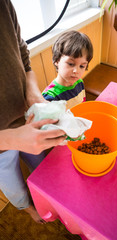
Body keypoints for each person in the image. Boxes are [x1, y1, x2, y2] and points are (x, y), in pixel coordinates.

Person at [0, 0, 66, 223]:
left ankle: (45, 193)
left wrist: (34, 95)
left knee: (41, 165)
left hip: (28, 120)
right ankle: (28, 208)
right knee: (13, 185)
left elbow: (22, 55)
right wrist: (8, 138)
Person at [42, 30, 93, 109]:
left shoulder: (79, 82)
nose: (76, 71)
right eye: (71, 64)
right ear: (56, 60)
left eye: (82, 66)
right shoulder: (50, 97)